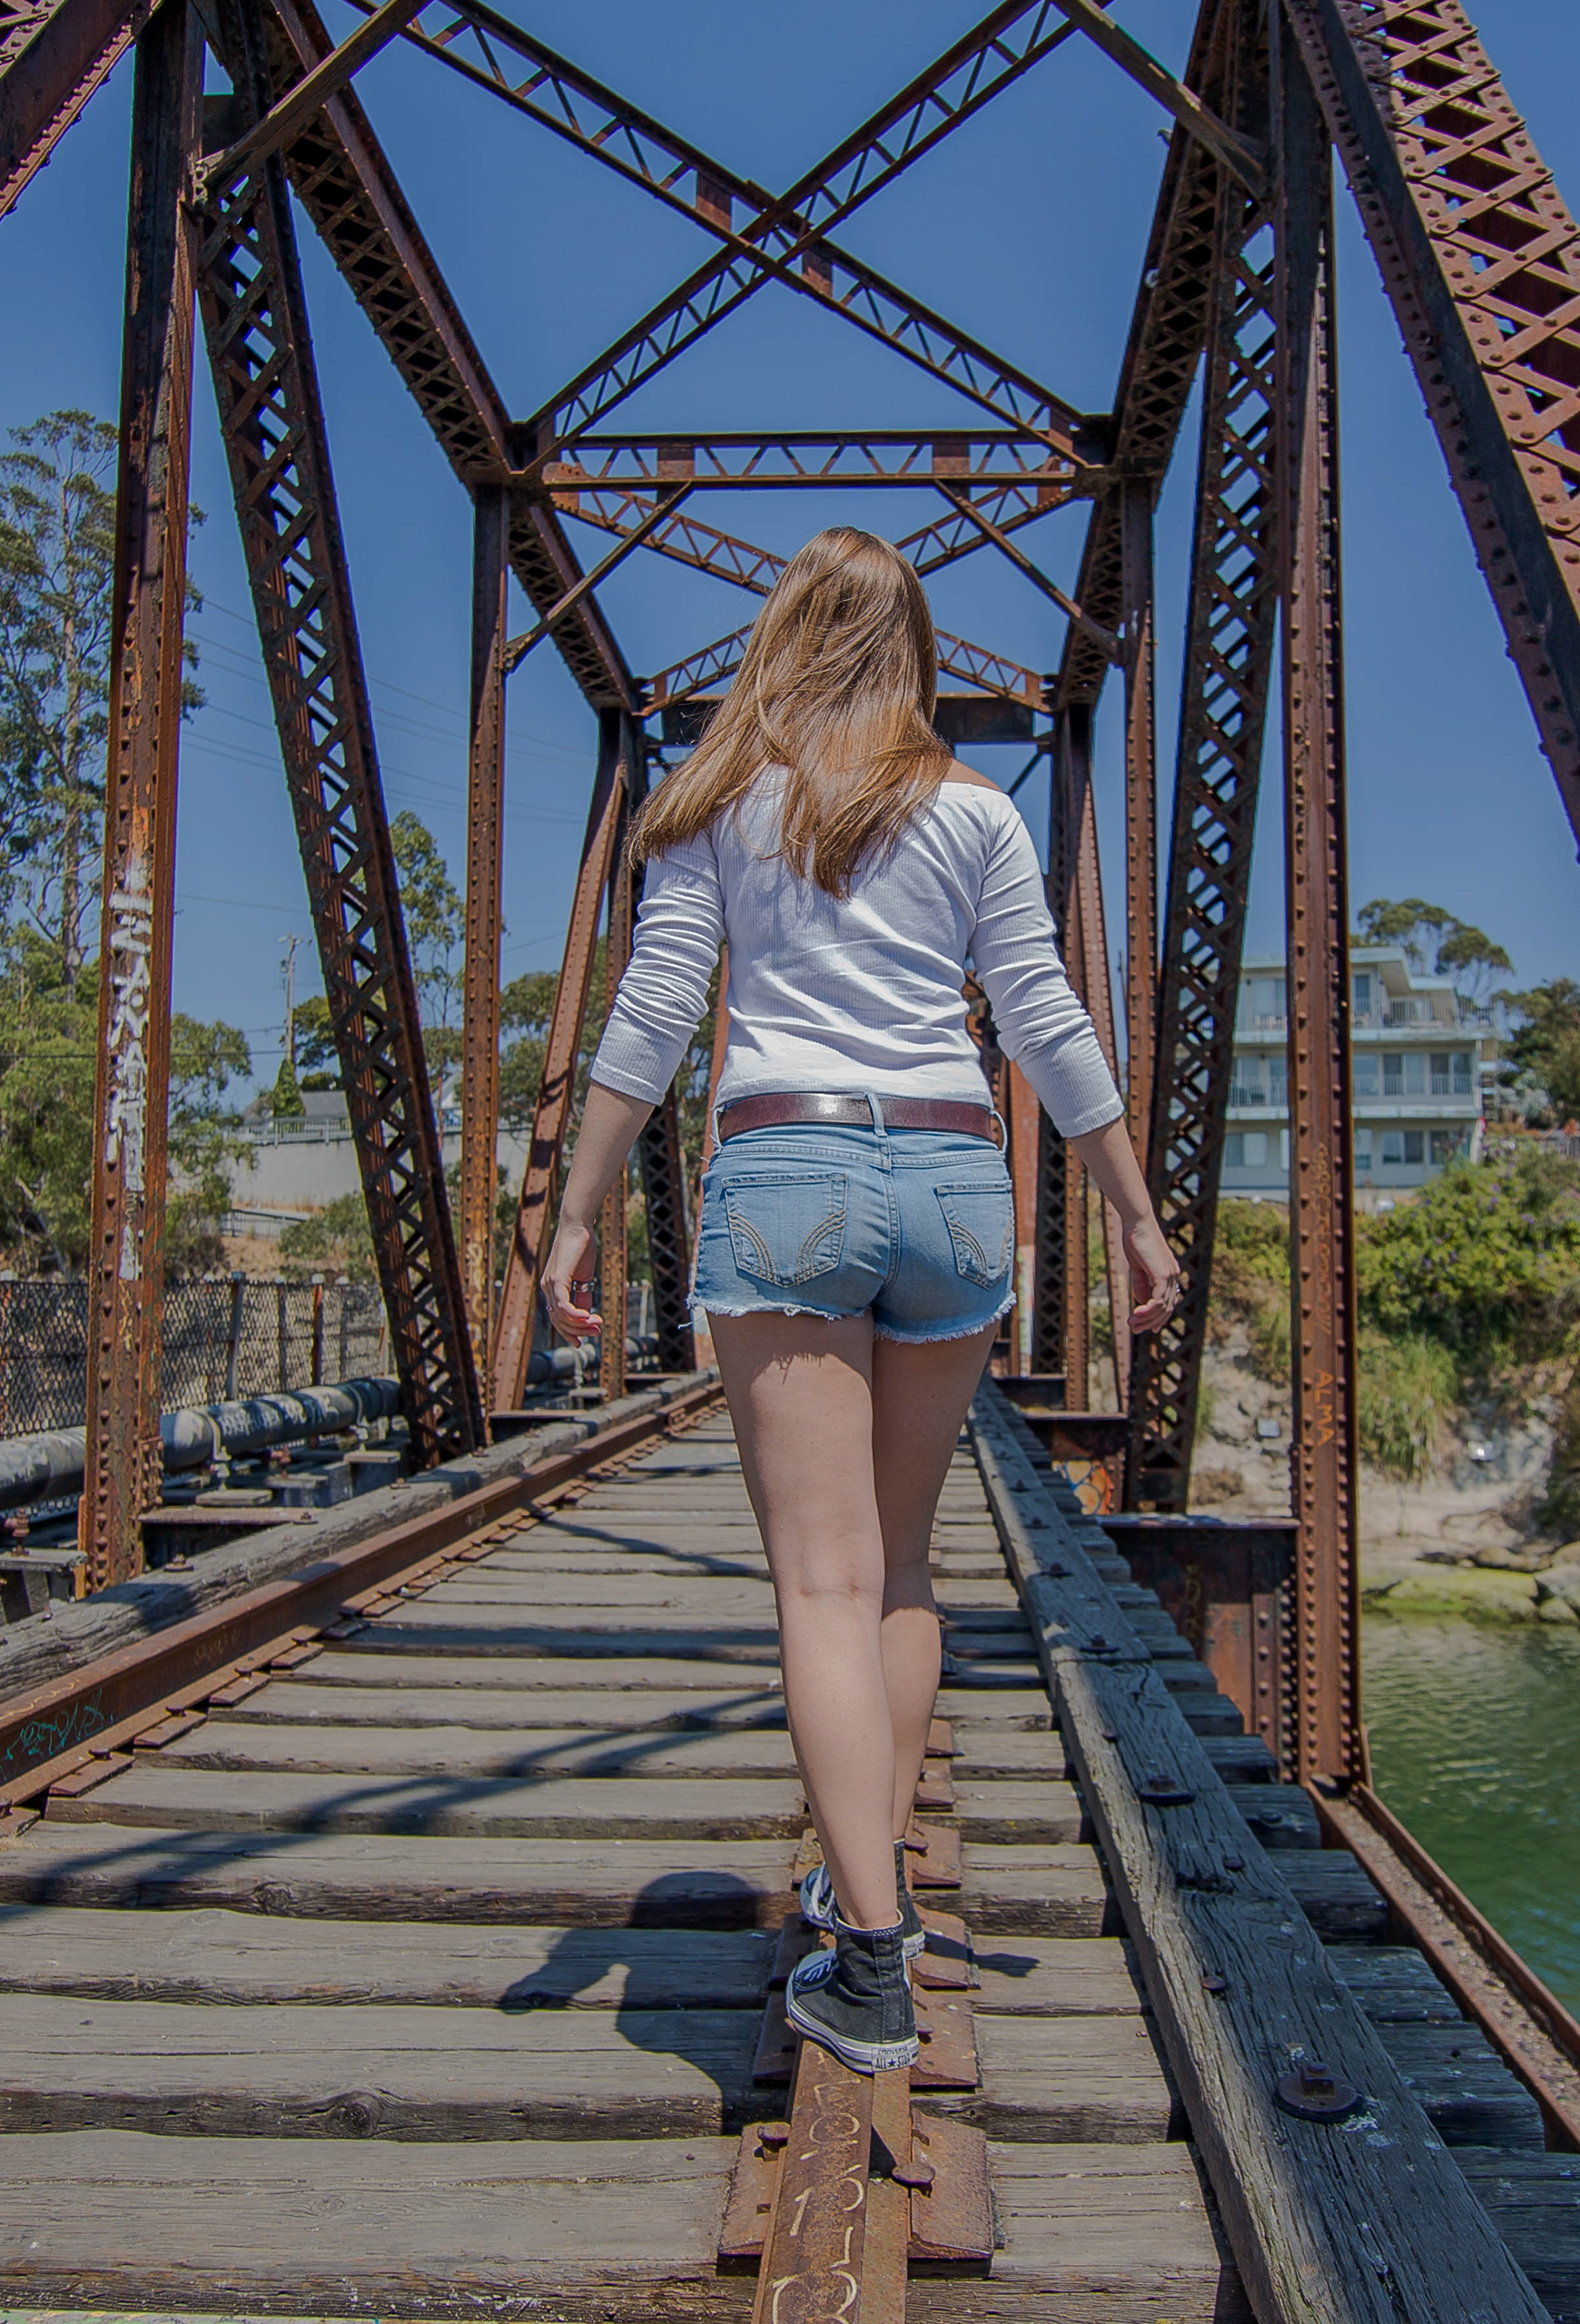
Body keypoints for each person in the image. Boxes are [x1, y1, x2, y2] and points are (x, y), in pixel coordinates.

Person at [540, 527, 1178, 2075]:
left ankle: (871, 1952)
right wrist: (1134, 1213)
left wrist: (574, 1208)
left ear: (780, 636)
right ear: (916, 656)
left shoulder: (714, 807)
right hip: (957, 1185)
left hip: (793, 1170)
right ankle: (863, 1879)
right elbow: (1043, 1014)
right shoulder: (978, 816)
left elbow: (655, 1013)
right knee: (902, 1569)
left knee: (819, 1583)